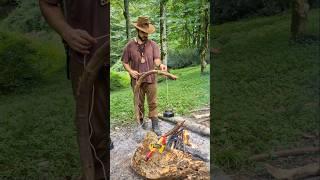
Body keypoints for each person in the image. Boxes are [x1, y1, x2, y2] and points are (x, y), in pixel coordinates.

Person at [39, 0, 111, 179]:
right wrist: (67, 32)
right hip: (86, 59)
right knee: (95, 137)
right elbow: (48, 3)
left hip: (118, 55)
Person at [122, 16, 167, 136]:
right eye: (143, 32)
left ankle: (155, 124)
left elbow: (156, 59)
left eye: (147, 32)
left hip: (151, 79)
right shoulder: (129, 46)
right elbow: (124, 62)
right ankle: (141, 123)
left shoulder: (153, 45)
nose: (146, 34)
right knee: (139, 103)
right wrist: (130, 71)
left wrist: (160, 65)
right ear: (137, 30)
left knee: (153, 102)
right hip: (137, 81)